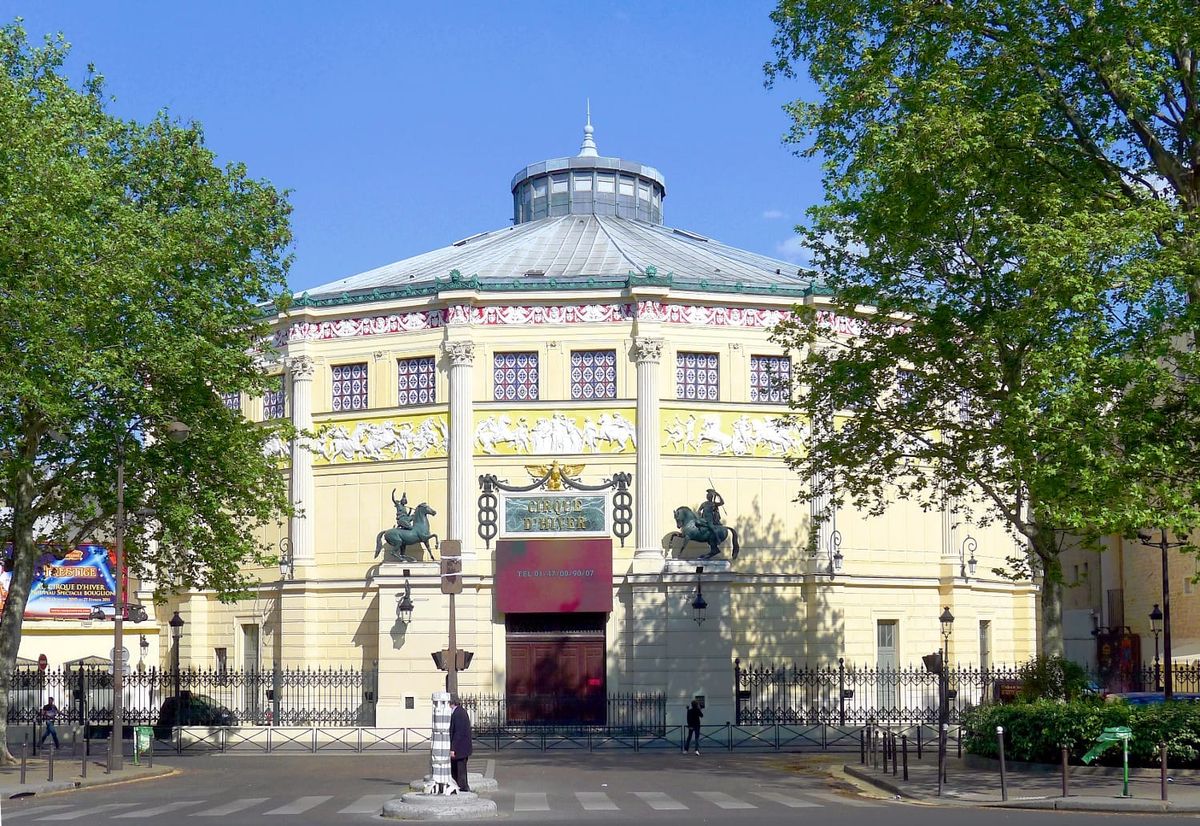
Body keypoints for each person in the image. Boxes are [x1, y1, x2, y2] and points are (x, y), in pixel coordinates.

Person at [448, 694, 472, 792]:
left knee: (460, 770)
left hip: (460, 749)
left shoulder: (458, 713)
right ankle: (459, 787)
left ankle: (463, 789)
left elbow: (458, 732)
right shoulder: (460, 712)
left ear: (451, 703)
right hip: (461, 748)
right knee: (457, 770)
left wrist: (453, 749)